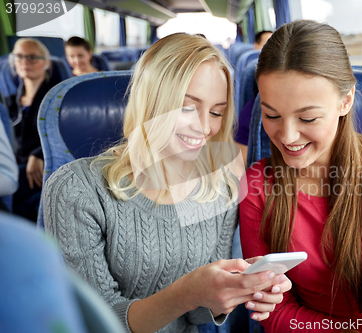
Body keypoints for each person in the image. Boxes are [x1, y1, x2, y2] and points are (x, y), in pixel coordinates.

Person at [44, 33, 291, 333]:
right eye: (187, 107)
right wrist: (186, 292)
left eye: (216, 112)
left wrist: (233, 288)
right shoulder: (77, 189)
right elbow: (94, 321)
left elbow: (197, 314)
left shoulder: (220, 187)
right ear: (152, 101)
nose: (205, 126)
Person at [239, 20, 362, 333]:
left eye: (308, 117)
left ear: (345, 101)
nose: (288, 136)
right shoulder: (257, 186)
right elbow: (274, 314)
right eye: (271, 115)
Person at [7, 38, 61, 221]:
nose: (25, 62)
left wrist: (38, 153)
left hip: (43, 164)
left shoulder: (57, 98)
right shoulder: (10, 101)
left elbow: (61, 132)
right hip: (14, 162)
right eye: (20, 57)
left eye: (32, 57)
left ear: (46, 63)